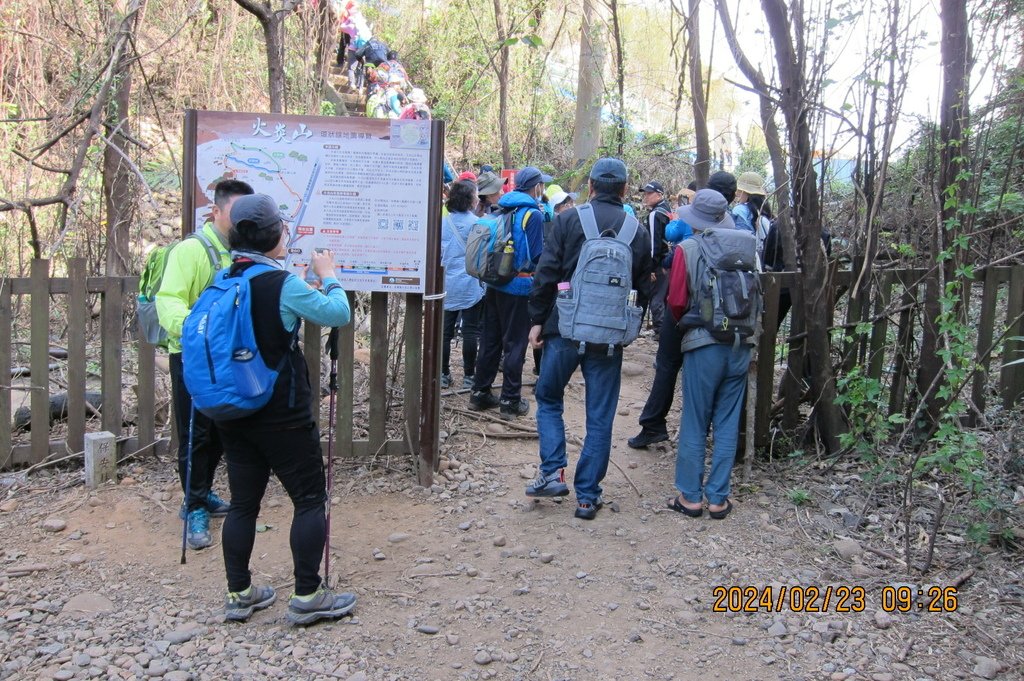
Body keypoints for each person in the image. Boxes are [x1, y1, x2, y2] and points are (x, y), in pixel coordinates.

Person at [216, 193, 357, 625]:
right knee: (310, 499)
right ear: (275, 235)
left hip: (234, 409)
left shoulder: (223, 279)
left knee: (243, 504)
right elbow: (338, 313)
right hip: (282, 412)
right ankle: (308, 595)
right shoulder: (282, 284)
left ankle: (240, 594)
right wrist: (328, 275)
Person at [526, 157, 654, 520]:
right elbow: (643, 289)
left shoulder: (568, 220)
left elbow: (546, 274)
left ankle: (552, 471)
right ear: (625, 190)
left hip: (564, 329)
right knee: (600, 416)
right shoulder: (637, 231)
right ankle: (587, 496)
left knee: (549, 397)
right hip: (609, 340)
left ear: (592, 186)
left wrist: (537, 320)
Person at [157, 179, 253, 550]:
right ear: (216, 211)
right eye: (235, 211)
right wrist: (198, 335)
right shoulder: (191, 250)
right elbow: (169, 301)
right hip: (194, 357)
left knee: (221, 429)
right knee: (196, 432)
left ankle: (203, 491)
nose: (242, 219)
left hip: (229, 358)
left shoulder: (242, 252)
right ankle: (194, 503)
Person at [665, 189, 751, 520]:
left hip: (703, 345)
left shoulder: (687, 249)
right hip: (741, 343)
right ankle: (718, 498)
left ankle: (690, 497)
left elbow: (675, 300)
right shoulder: (747, 247)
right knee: (727, 421)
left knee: (696, 420)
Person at [469, 166, 548, 419]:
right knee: (514, 344)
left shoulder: (503, 207)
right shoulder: (532, 215)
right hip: (519, 288)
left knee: (491, 339)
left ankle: (480, 393)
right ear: (535, 187)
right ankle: (510, 400)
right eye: (541, 185)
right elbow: (536, 256)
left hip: (494, 283)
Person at [440, 181, 484, 390]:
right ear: (470, 200)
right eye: (476, 195)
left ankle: (442, 373)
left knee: (444, 333)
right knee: (470, 331)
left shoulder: (441, 223)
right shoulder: (477, 224)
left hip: (446, 283)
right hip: (470, 283)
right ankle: (469, 375)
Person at [640, 180, 673, 337]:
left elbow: (654, 244)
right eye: (645, 193)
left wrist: (651, 267)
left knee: (656, 298)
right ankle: (665, 329)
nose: (645, 197)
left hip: (659, 264)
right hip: (669, 261)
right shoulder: (668, 211)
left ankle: (661, 330)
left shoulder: (655, 215)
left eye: (649, 193)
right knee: (664, 297)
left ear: (659, 195)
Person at [732, 171, 767, 237]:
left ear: (744, 192)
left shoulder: (739, 210)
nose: (737, 193)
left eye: (739, 190)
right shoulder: (764, 211)